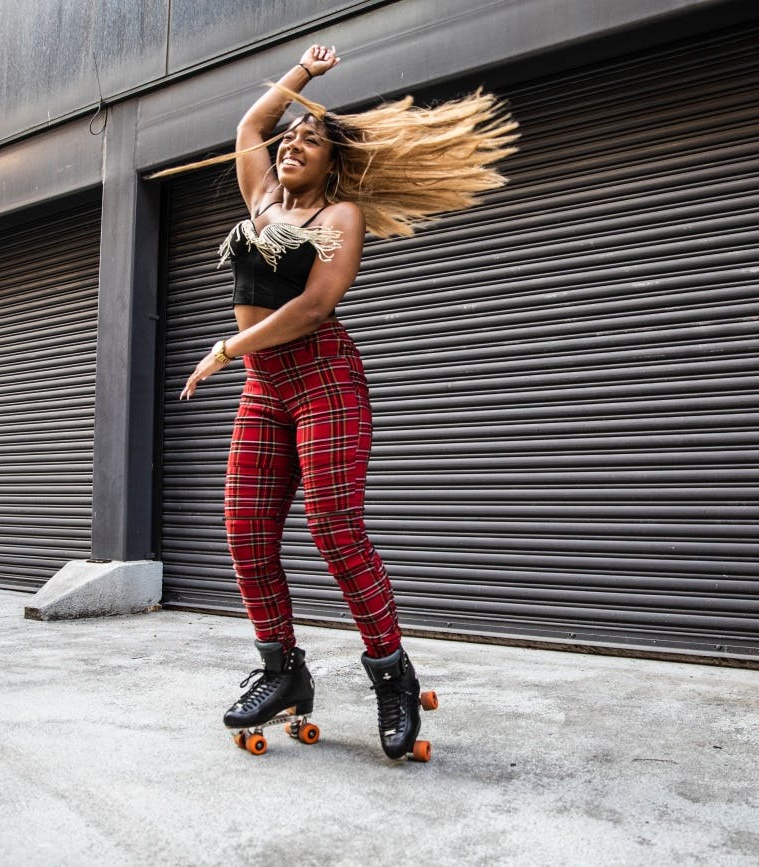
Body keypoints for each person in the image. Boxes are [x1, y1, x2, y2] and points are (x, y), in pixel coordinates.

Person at [169, 44, 516, 759]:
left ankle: (391, 676)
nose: (293, 143)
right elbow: (248, 126)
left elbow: (313, 304)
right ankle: (282, 672)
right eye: (290, 137)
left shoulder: (341, 217)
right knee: (244, 531)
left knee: (334, 528)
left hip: (325, 381)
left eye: (311, 140)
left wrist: (225, 349)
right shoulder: (261, 197)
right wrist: (302, 76)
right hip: (267, 390)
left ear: (333, 165)